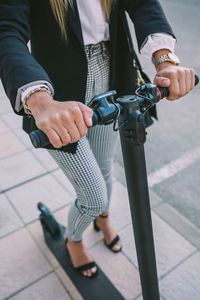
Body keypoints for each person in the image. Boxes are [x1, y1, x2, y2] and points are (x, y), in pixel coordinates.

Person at [0, 0, 195, 278]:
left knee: (104, 168)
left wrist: (164, 59)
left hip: (112, 71)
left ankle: (102, 219)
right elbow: (7, 31)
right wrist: (39, 99)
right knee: (92, 196)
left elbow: (143, 4)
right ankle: (74, 239)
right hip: (59, 91)